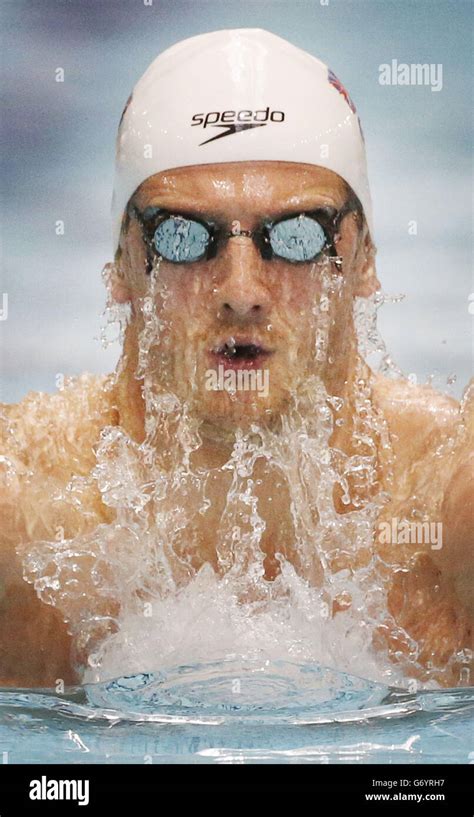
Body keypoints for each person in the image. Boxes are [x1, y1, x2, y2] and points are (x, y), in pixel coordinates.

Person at [1, 30, 472, 689]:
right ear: (122, 264)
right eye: (186, 236)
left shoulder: (446, 505)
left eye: (299, 236)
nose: (243, 292)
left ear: (363, 256)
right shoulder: (29, 515)